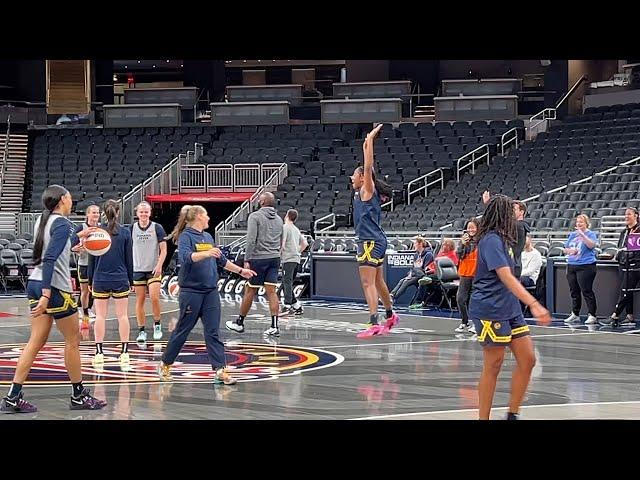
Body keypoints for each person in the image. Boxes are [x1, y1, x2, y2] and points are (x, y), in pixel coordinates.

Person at [0, 185, 106, 413]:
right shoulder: (62, 223)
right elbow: (50, 258)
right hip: (54, 287)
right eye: (69, 197)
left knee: (35, 342)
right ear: (61, 201)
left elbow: (52, 247)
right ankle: (78, 395)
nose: (72, 200)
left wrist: (75, 242)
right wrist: (48, 294)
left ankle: (12, 397)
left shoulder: (42, 220)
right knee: (73, 341)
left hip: (35, 283)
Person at [469, 194, 551, 420]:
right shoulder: (491, 240)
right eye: (511, 212)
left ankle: (512, 414)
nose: (515, 217)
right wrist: (534, 304)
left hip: (510, 307)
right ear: (503, 215)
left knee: (528, 359)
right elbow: (505, 276)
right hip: (490, 308)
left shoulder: (504, 239)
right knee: (493, 364)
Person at [158, 205, 256, 385]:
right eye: (206, 215)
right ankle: (166, 363)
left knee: (213, 332)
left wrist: (241, 271)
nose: (209, 218)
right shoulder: (186, 236)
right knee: (182, 330)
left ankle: (220, 370)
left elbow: (222, 261)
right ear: (198, 217)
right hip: (191, 292)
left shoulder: (208, 236)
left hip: (210, 291)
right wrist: (206, 253)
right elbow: (187, 258)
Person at [350, 124, 399, 338]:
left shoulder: (366, 190)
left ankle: (373, 322)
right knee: (378, 281)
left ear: (362, 178)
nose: (351, 178)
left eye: (354, 174)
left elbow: (368, 166)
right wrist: (365, 144)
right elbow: (366, 165)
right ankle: (390, 315)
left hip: (369, 241)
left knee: (367, 282)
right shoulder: (364, 192)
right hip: (377, 239)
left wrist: (370, 141)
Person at [226, 192, 283, 336]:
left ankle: (239, 322)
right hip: (275, 257)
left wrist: (247, 260)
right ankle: (274, 326)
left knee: (250, 290)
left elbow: (251, 240)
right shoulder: (278, 219)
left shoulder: (255, 216)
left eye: (259, 199)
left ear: (263, 202)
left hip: (258, 258)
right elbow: (281, 240)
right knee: (272, 292)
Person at [88, 199, 134, 370]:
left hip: (100, 278)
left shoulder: (97, 232)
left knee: (100, 316)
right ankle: (125, 353)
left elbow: (92, 258)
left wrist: (91, 279)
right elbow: (129, 258)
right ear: (118, 212)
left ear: (104, 214)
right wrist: (131, 279)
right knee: (123, 316)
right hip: (120, 277)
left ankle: (99, 353)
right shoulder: (125, 233)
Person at [131, 201, 168, 342]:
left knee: (154, 298)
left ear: (150, 213)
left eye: (146, 212)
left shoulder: (157, 228)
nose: (144, 214)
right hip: (137, 269)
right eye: (141, 212)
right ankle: (141, 331)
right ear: (137, 214)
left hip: (153, 269)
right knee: (139, 301)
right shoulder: (132, 229)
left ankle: (157, 325)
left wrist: (159, 265)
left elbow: (164, 249)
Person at [602, 207, 640, 326]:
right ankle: (629, 316)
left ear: (636, 216)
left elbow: (634, 248)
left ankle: (615, 315)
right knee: (626, 290)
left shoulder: (638, 230)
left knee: (626, 290)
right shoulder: (624, 231)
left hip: (635, 265)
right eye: (625, 215)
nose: (626, 217)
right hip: (623, 264)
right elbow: (621, 247)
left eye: (629, 214)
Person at [483, 191, 529, 278]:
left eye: (513, 210)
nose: (510, 213)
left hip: (512, 267)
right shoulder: (516, 225)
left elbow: (498, 222)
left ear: (521, 212)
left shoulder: (519, 225)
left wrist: (489, 206)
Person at [562, 214, 599, 325]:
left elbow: (592, 245)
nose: (578, 224)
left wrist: (583, 235)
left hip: (586, 265)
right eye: (577, 222)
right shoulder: (572, 235)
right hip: (572, 264)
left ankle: (592, 315)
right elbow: (565, 248)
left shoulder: (591, 234)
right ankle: (575, 314)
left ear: (587, 224)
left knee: (586, 291)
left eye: (581, 222)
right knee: (574, 291)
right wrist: (569, 251)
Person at [71, 204, 100, 329]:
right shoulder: (81, 227)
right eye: (93, 212)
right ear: (87, 214)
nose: (96, 215)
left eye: (98, 213)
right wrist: (75, 249)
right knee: (84, 290)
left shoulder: (101, 229)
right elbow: (72, 244)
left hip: (97, 263)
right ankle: (85, 313)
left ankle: (88, 308)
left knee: (95, 290)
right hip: (84, 263)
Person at [280, 209, 308, 316]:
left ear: (286, 216)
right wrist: (297, 251)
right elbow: (305, 243)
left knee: (287, 282)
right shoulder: (296, 229)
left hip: (288, 259)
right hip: (296, 259)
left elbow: (282, 244)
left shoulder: (285, 227)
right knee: (287, 282)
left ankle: (287, 306)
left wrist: (279, 255)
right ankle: (297, 305)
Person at [389, 236, 432, 301]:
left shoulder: (428, 254)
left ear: (420, 244)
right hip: (415, 274)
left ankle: (393, 298)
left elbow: (426, 268)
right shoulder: (416, 255)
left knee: (406, 282)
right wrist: (410, 274)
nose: (414, 245)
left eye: (415, 243)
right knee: (402, 280)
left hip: (423, 276)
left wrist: (414, 272)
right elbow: (413, 267)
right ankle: (391, 295)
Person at [455, 218, 479, 333]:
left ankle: (476, 323)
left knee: (473, 300)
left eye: (473, 227)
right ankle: (464, 322)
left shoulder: (481, 241)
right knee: (460, 299)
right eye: (469, 227)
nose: (470, 230)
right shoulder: (463, 241)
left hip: (477, 274)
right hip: (465, 273)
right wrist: (463, 245)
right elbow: (458, 255)